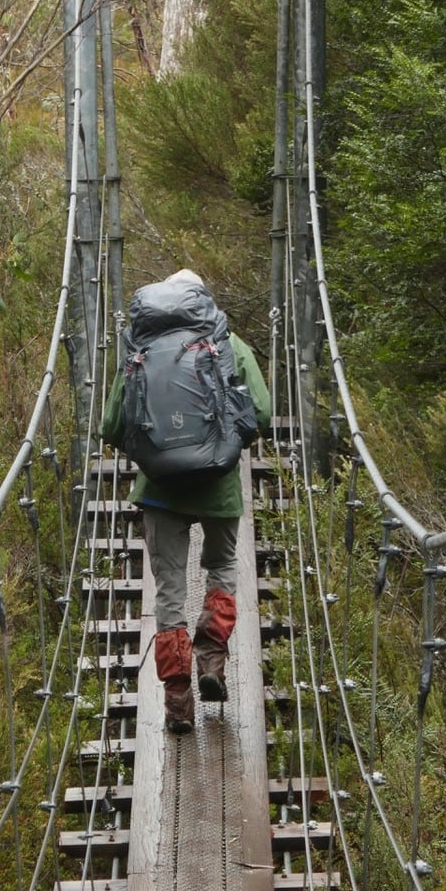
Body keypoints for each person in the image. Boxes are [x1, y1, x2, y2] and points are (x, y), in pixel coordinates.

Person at [101, 270, 271, 734]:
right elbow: (262, 413)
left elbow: (112, 424)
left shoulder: (140, 350)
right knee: (221, 566)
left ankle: (178, 700)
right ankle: (212, 660)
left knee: (169, 589)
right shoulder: (229, 344)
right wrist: (223, 443)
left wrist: (156, 448)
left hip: (159, 490)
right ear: (202, 301)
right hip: (219, 486)